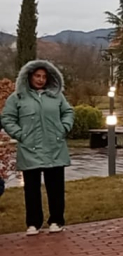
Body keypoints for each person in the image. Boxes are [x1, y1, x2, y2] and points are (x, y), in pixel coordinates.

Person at [2, 60, 75, 235]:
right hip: (30, 149)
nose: (41, 79)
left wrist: (64, 127)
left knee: (55, 188)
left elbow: (68, 112)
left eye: (44, 76)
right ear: (29, 76)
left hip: (54, 147)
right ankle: (33, 223)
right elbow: (7, 118)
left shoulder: (56, 96)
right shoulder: (17, 97)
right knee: (31, 189)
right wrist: (20, 134)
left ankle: (56, 220)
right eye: (37, 76)